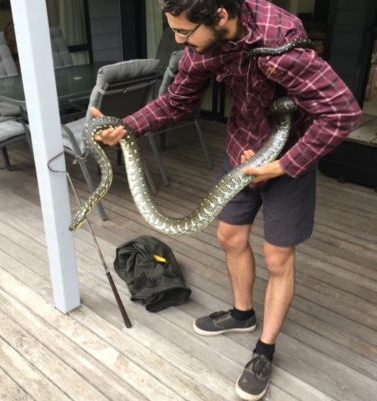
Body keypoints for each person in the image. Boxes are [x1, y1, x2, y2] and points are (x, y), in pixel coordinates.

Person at [92, 0, 362, 399]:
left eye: (185, 32)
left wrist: (284, 165)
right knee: (230, 237)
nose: (179, 41)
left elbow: (341, 113)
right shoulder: (203, 47)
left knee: (277, 257)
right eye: (175, 31)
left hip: (290, 157)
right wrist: (127, 127)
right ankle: (241, 314)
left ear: (219, 15)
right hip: (241, 148)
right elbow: (176, 101)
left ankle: (264, 350)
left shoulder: (281, 43)